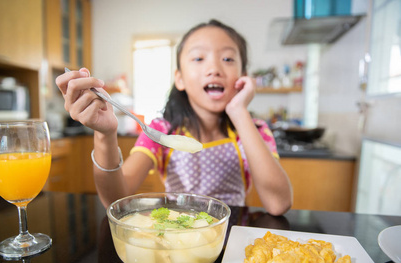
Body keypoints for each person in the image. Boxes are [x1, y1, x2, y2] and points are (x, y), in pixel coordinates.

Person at [56, 19, 292, 215]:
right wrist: (105, 134)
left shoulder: (254, 131)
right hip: (178, 241)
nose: (215, 68)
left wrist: (240, 112)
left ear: (243, 76)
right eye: (199, 58)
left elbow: (278, 204)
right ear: (179, 79)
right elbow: (117, 198)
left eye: (228, 59)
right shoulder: (161, 130)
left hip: (232, 242)